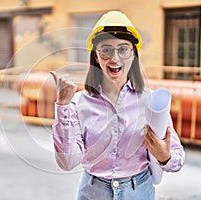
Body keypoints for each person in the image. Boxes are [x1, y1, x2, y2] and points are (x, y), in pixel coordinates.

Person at [50, 10, 185, 200]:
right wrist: (62, 105)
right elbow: (67, 162)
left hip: (139, 192)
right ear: (96, 56)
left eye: (123, 49)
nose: (115, 58)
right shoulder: (77, 103)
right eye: (106, 50)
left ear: (133, 55)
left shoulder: (150, 101)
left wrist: (165, 156)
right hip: (92, 193)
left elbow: (177, 160)